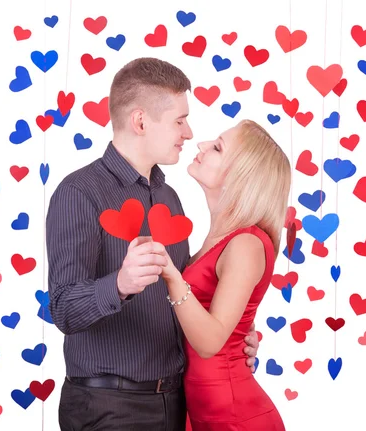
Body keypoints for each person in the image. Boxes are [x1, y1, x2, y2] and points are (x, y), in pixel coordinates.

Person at [46, 57, 260, 431]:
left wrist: (233, 336)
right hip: (107, 408)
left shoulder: (170, 198)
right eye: (179, 120)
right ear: (141, 121)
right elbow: (62, 309)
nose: (190, 132)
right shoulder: (78, 193)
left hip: (175, 404)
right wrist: (119, 284)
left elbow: (185, 293)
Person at [158, 120, 291, 430]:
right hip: (203, 413)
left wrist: (171, 276)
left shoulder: (245, 243)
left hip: (236, 419)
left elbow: (210, 341)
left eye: (217, 147)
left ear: (241, 176)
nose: (201, 145)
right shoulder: (218, 239)